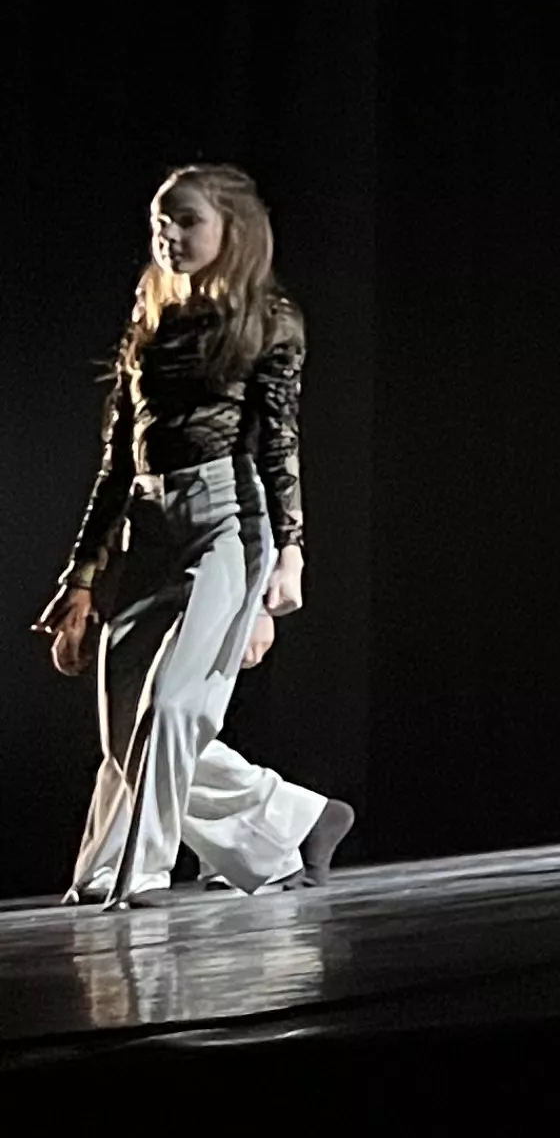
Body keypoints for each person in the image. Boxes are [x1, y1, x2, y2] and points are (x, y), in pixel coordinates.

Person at [33, 166, 353, 904]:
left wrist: (290, 555)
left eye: (184, 220)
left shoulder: (269, 319)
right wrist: (80, 576)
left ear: (231, 230)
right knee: (125, 736)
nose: (167, 235)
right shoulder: (152, 318)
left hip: (228, 519)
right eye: (158, 222)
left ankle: (139, 872)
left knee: (177, 709)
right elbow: (119, 460)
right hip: (149, 521)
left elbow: (279, 445)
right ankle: (293, 818)